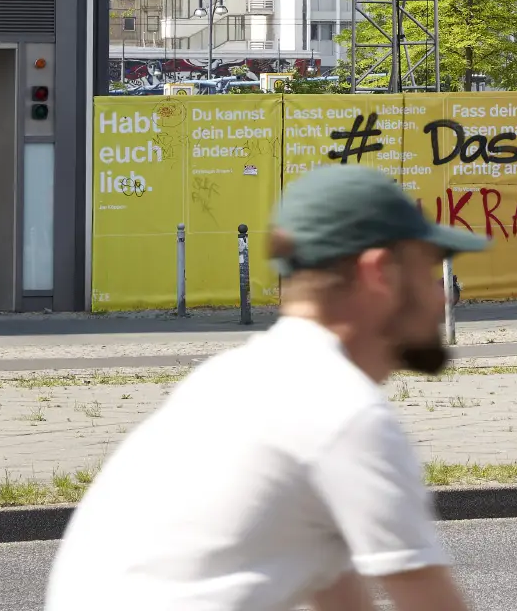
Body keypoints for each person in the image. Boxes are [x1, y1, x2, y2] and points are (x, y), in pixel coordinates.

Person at [46, 166, 489, 611]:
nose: (443, 297)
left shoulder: (237, 379)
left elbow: (338, 597)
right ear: (379, 273)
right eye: (430, 272)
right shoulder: (343, 412)